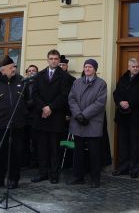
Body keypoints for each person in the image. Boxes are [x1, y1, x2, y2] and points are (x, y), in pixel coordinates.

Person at [0, 55, 26, 189]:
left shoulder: (22, 81)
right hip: (0, 125)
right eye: (11, 67)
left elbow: (29, 100)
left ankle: (14, 179)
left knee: (16, 153)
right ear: (3, 70)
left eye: (14, 66)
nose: (14, 69)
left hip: (18, 125)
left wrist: (23, 112)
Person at [31, 49, 71, 184]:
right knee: (42, 148)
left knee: (55, 148)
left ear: (59, 60)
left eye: (56, 59)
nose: (53, 61)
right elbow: (34, 94)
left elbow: (64, 96)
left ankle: (54, 174)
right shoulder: (39, 75)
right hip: (41, 116)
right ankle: (42, 173)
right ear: (47, 60)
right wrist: (43, 107)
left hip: (55, 117)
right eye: (51, 58)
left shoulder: (64, 77)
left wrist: (50, 107)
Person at [67, 59, 107, 188]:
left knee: (94, 153)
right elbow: (71, 99)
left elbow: (100, 103)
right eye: (85, 67)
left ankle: (95, 179)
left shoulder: (101, 84)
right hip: (78, 122)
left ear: (95, 69)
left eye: (90, 67)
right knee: (77, 152)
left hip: (92, 122)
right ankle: (78, 176)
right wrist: (78, 114)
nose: (87, 69)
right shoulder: (77, 82)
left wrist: (85, 115)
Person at [112, 57, 139, 178]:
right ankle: (123, 167)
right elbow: (116, 93)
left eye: (137, 67)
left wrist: (129, 103)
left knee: (134, 144)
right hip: (122, 116)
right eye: (133, 67)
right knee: (122, 143)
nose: (135, 69)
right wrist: (120, 102)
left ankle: (134, 169)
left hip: (134, 116)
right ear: (128, 67)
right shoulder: (122, 79)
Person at [23, 64, 39, 168]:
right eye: (29, 71)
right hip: (24, 117)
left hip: (35, 117)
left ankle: (35, 161)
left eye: (34, 71)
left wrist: (28, 104)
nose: (31, 72)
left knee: (35, 141)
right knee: (24, 140)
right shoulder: (23, 84)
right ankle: (25, 161)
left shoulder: (39, 84)